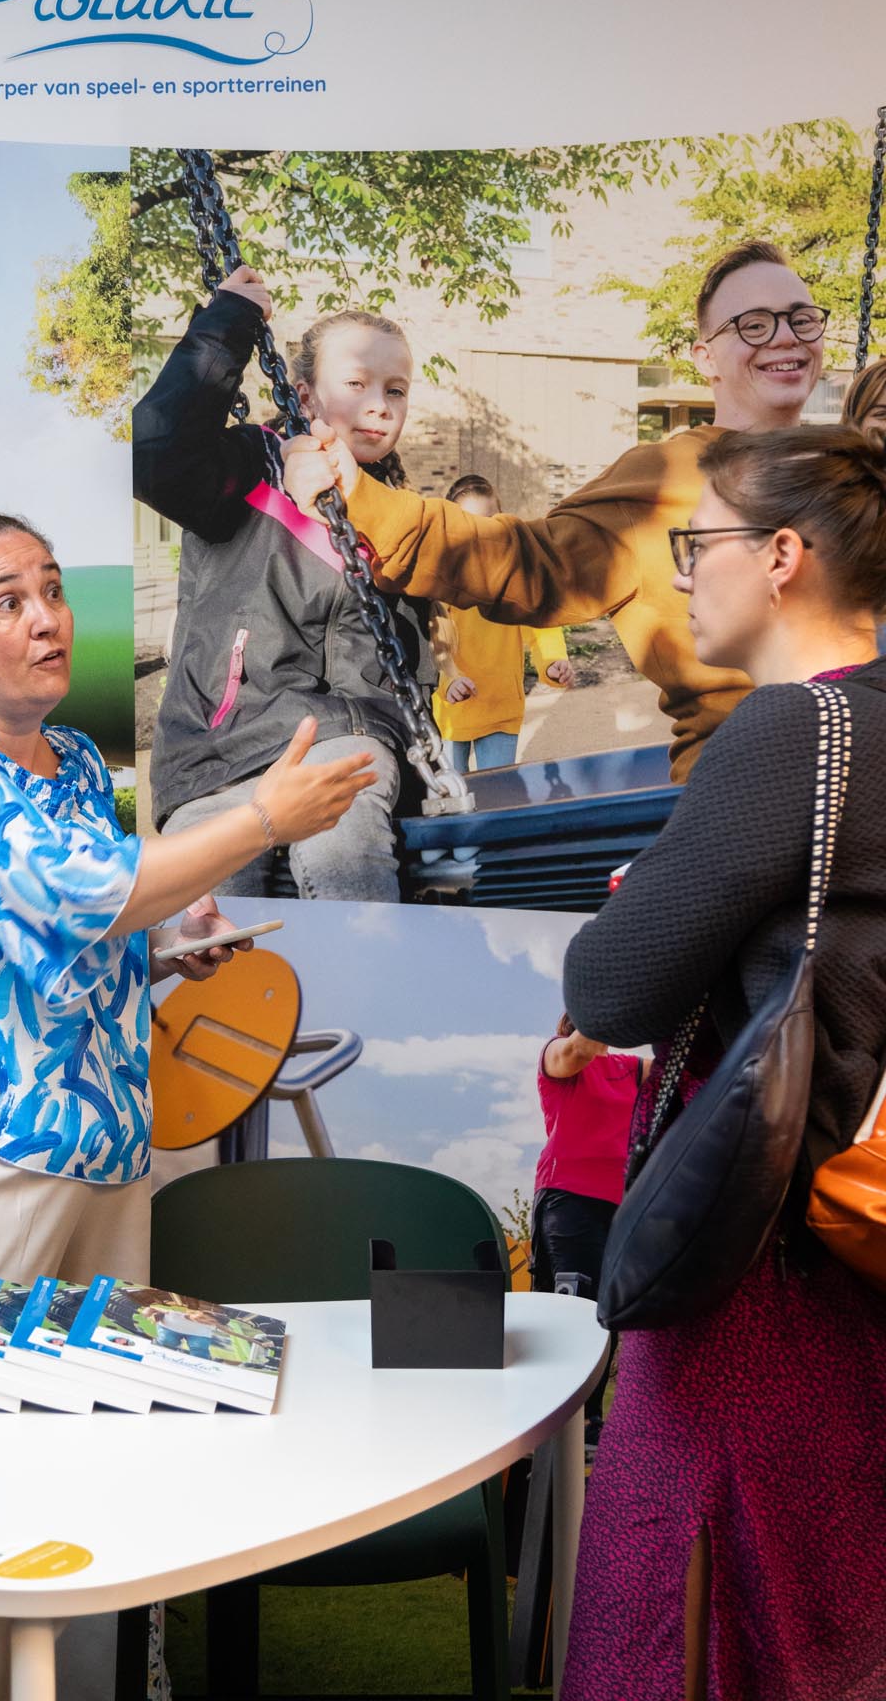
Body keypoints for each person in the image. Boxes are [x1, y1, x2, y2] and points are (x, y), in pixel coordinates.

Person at [0, 510, 375, 1701]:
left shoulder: (71, 765)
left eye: (53, 590)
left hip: (103, 1160)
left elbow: (82, 927)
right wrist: (257, 820)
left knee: (80, 1468)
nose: (47, 617)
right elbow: (72, 896)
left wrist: (173, 949)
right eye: (7, 599)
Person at [556, 420, 886, 1701]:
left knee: (681, 1612)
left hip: (752, 1261)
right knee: (816, 1612)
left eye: (700, 543)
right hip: (847, 1230)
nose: (683, 571)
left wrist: (652, 904)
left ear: (785, 556)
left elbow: (610, 984)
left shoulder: (795, 733)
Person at [283, 242, 827, 780]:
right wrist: (361, 498)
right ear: (704, 356)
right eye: (754, 324)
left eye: (802, 319)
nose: (786, 336)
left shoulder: (850, 468)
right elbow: (524, 561)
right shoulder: (661, 482)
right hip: (755, 772)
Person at [134, 264, 435, 903]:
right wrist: (227, 323)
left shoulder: (395, 511)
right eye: (356, 383)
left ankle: (360, 983)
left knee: (344, 844)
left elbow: (403, 656)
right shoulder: (248, 469)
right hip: (224, 755)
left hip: (343, 743)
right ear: (303, 397)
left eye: (397, 389)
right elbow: (156, 451)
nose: (381, 404)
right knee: (210, 912)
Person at [530, 1014, 645, 1451]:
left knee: (606, 1315)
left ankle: (590, 1422)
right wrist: (614, 999)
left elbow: (689, 1068)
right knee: (573, 1309)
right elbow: (577, 1050)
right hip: (567, 1198)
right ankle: (553, 1421)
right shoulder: (557, 1057)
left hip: (619, 1203)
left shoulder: (630, 1070)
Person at [431, 474, 574, 772]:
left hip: (501, 705)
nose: (479, 531)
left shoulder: (516, 575)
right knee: (453, 795)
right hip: (453, 707)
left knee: (497, 792)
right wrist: (450, 680)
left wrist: (552, 662)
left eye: (488, 519)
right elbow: (435, 639)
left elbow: (540, 626)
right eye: (468, 522)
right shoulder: (444, 580)